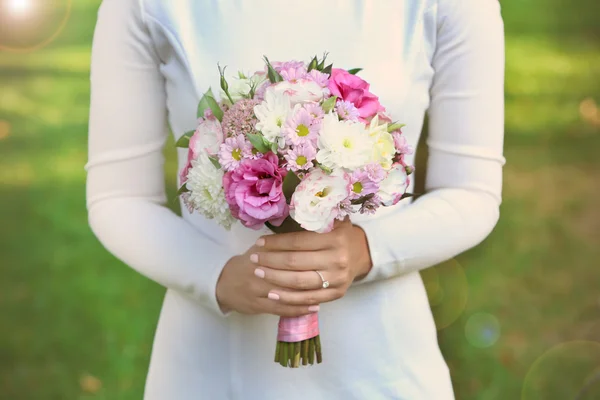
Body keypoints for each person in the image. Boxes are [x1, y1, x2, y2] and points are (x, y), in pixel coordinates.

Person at [86, 0, 505, 398]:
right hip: (211, 363)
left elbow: (471, 192)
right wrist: (215, 276)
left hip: (381, 366)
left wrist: (365, 251)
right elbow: (118, 197)